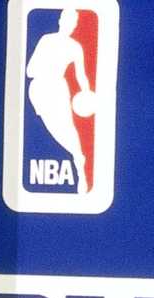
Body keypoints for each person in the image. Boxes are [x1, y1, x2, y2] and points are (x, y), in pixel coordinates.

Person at [25, 8, 92, 193]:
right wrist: (44, 67)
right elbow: (29, 70)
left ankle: (79, 163)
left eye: (74, 22)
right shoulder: (46, 40)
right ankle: (77, 155)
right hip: (39, 89)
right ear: (61, 20)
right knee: (54, 128)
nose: (70, 24)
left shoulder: (75, 47)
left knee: (68, 127)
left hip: (58, 89)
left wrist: (86, 92)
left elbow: (81, 75)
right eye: (68, 19)